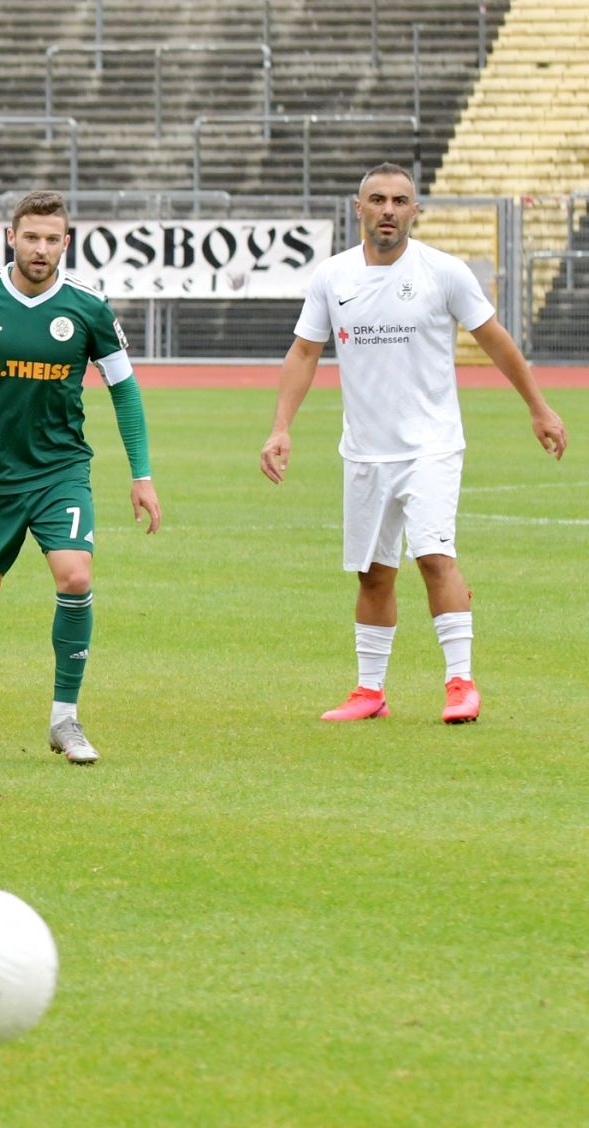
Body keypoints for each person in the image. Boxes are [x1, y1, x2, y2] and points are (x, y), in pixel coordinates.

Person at [261, 162, 567, 725]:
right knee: (373, 573)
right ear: (359, 208)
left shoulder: (443, 272)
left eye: (400, 201)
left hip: (432, 445)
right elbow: (304, 353)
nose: (388, 211)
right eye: (377, 200)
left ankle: (460, 683)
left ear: (414, 210)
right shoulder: (333, 277)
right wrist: (281, 427)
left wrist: (538, 406)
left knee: (433, 555)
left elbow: (494, 339)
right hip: (365, 450)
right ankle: (370, 691)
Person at [0, 190, 161, 765]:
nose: (41, 248)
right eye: (31, 236)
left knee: (75, 578)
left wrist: (142, 474)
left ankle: (65, 721)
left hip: (61, 470)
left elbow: (124, 390)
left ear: (66, 243)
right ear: (11, 237)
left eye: (53, 238)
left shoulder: (88, 306)